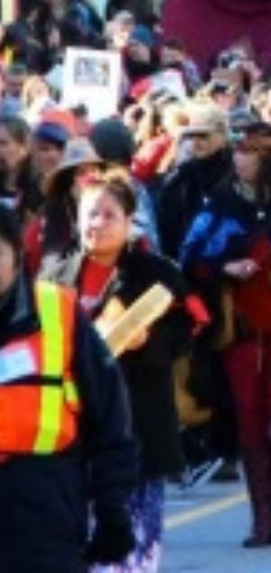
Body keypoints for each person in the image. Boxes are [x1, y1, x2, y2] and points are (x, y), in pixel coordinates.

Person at [179, 122, 271, 547]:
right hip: (241, 327)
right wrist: (224, 267)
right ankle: (262, 516)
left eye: (248, 151)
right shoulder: (220, 205)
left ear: (268, 159)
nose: (238, 158)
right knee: (249, 420)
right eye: (238, 151)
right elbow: (190, 258)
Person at [42, 168, 194, 573]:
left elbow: (188, 330)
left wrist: (149, 342)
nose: (98, 224)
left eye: (109, 215)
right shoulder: (52, 277)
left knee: (134, 546)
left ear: (130, 222)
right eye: (90, 214)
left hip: (139, 419)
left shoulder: (157, 273)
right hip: (71, 426)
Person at [0, 201, 138, 573]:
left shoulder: (56, 311)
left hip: (43, 506)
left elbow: (108, 416)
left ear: (15, 253)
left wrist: (112, 507)